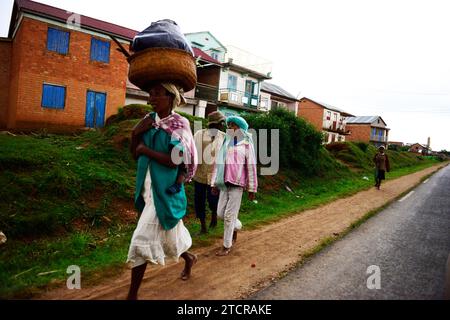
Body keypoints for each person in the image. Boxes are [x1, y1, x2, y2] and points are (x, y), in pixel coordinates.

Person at [127, 82, 198, 300]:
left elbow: (174, 161)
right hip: (147, 188)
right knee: (171, 235)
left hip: (165, 190)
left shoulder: (179, 124)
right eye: (151, 93)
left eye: (158, 94)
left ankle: (132, 295)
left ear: (171, 97)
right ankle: (189, 258)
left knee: (140, 239)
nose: (153, 97)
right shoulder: (148, 121)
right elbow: (134, 154)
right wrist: (135, 133)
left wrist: (145, 149)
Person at [211, 116, 258, 256]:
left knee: (229, 216)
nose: (230, 128)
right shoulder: (226, 143)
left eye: (233, 126)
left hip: (237, 185)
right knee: (220, 213)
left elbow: (251, 167)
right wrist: (213, 183)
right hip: (223, 184)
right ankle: (236, 227)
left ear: (241, 128)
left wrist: (252, 188)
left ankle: (226, 246)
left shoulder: (247, 144)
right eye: (229, 125)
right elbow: (218, 164)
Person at [193, 111, 226, 234]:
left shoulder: (223, 136)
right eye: (221, 123)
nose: (223, 125)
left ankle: (214, 217)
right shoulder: (199, 134)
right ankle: (203, 227)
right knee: (199, 200)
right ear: (215, 124)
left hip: (215, 175)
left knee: (214, 199)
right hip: (200, 174)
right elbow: (193, 152)